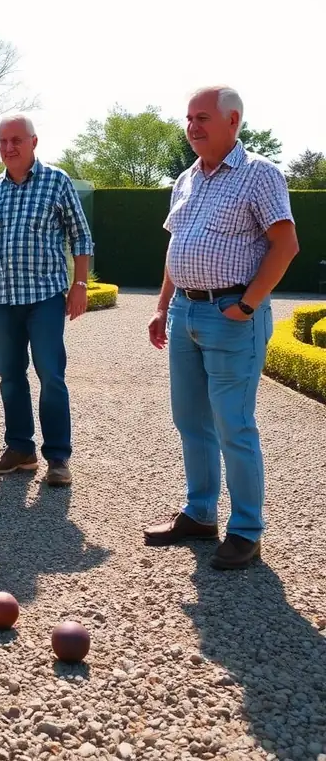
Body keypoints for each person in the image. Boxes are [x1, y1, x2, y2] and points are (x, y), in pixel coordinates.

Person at [146, 86, 298, 569]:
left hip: (232, 316)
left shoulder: (260, 175)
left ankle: (247, 530)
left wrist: (249, 306)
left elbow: (286, 244)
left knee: (234, 424)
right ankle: (200, 513)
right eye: (189, 118)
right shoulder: (186, 179)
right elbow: (177, 249)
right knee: (190, 420)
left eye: (203, 117)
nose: (193, 127)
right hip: (185, 313)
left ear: (233, 122)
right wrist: (163, 304)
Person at [0, 114, 93, 486]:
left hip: (45, 298)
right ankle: (20, 449)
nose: (8, 148)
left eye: (16, 141)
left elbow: (81, 237)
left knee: (51, 375)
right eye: (3, 141)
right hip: (5, 298)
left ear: (34, 142)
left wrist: (81, 285)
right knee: (9, 376)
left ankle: (57, 457)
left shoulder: (57, 182)